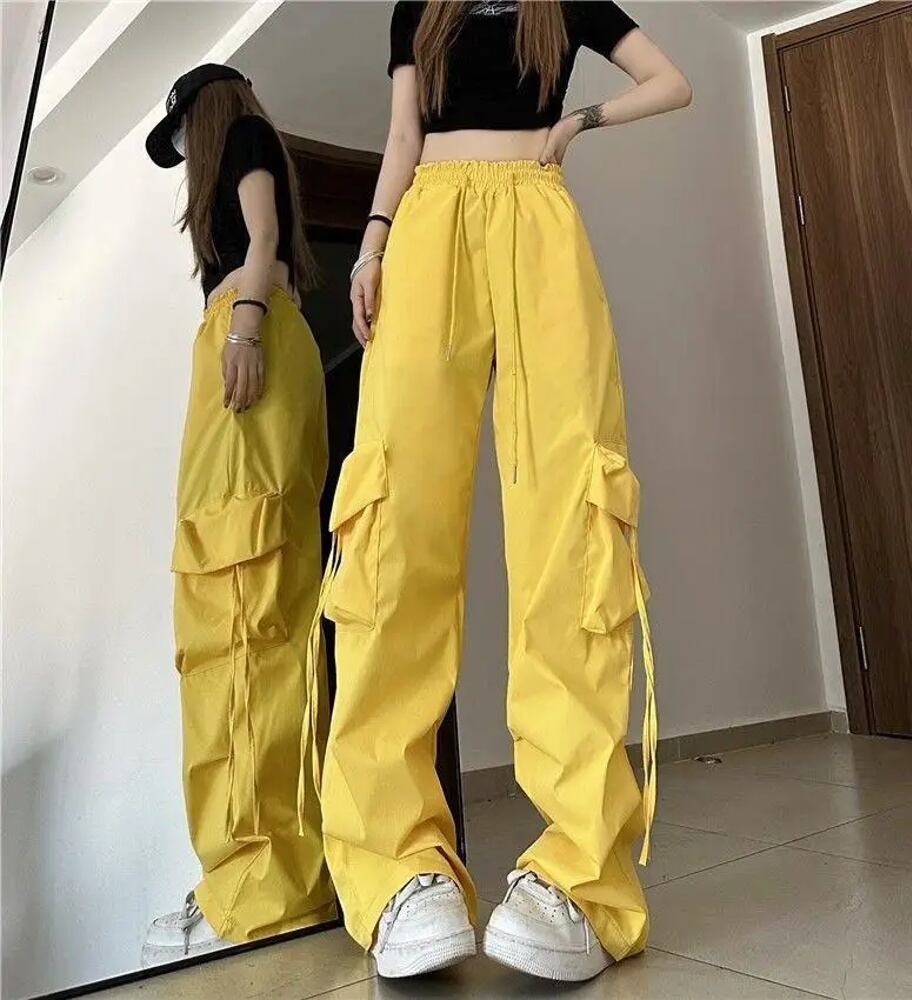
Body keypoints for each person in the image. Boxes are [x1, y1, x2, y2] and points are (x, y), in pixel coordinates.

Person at [304, 0, 692, 984]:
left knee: (572, 516)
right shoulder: (416, 8)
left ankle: (580, 873)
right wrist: (373, 243)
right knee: (392, 517)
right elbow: (402, 135)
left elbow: (671, 82)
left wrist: (579, 122)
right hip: (426, 222)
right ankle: (397, 866)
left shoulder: (566, 4)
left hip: (537, 217)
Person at [142, 63, 334, 966]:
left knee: (247, 608)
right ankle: (262, 874)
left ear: (205, 112)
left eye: (183, 132)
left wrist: (245, 326)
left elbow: (262, 239)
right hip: (242, 341)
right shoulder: (237, 159)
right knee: (240, 606)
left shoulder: (246, 136)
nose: (184, 152)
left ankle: (264, 885)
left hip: (248, 338)